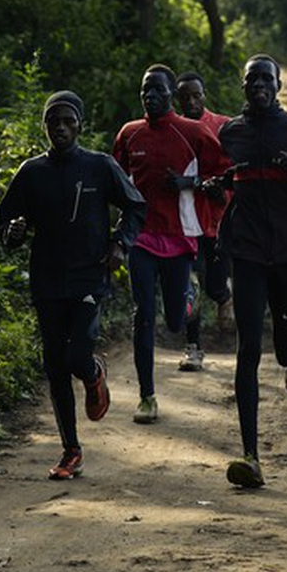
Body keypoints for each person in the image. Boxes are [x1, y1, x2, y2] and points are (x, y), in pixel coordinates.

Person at [0, 91, 144, 480]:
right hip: (47, 279)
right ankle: (71, 451)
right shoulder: (31, 172)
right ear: (44, 126)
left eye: (67, 121)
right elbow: (6, 223)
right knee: (53, 366)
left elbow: (135, 206)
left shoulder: (100, 166)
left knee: (76, 355)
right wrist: (13, 232)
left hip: (88, 275)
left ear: (79, 124)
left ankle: (93, 371)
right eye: (52, 122)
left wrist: (119, 243)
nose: (59, 128)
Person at [211, 54, 287, 489]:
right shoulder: (231, 132)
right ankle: (250, 454)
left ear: (279, 85)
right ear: (243, 86)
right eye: (252, 79)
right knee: (248, 348)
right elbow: (226, 174)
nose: (259, 85)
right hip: (246, 252)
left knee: (282, 347)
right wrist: (222, 184)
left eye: (266, 78)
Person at [111, 64, 227, 424]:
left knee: (175, 322)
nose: (150, 96)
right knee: (143, 316)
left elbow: (223, 174)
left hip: (180, 237)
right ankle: (147, 397)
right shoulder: (129, 134)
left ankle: (189, 300)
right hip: (141, 238)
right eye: (146, 90)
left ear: (170, 94)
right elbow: (114, 178)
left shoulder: (192, 132)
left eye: (158, 90)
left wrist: (188, 182)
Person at [174, 71, 233, 350]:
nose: (191, 102)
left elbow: (230, 174)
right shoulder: (172, 130)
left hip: (217, 219)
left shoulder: (222, 126)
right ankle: (193, 347)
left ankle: (224, 296)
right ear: (177, 100)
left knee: (214, 286)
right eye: (185, 97)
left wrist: (196, 183)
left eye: (196, 95)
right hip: (185, 221)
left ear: (204, 95)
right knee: (191, 288)